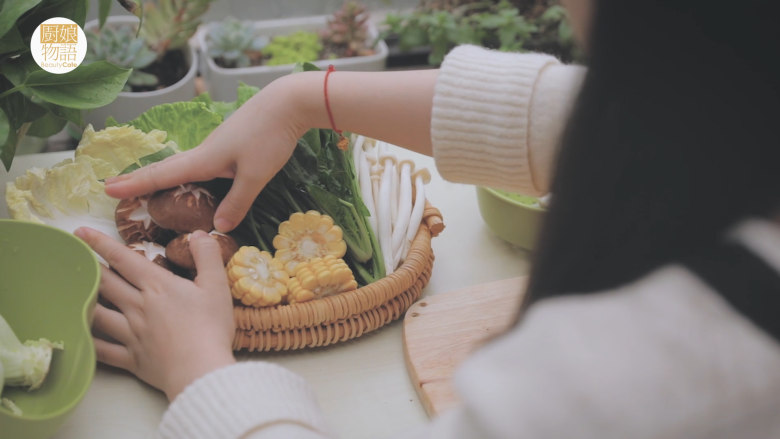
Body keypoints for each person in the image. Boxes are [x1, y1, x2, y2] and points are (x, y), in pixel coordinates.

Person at [74, 0, 780, 437]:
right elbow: (599, 114)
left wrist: (199, 370)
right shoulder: (736, 99)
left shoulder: (658, 356)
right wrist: (301, 99)